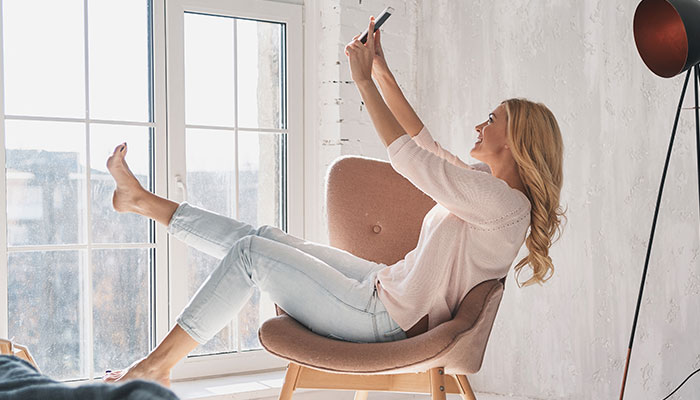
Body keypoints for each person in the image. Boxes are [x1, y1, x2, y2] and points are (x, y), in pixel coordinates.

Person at [104, 16, 565, 386]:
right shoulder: (490, 187)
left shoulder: (503, 205)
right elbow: (423, 143)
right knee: (264, 238)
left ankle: (156, 367)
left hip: (384, 318)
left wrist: (361, 82)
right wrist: (381, 70)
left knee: (250, 255)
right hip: (382, 286)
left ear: (517, 139)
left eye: (492, 119)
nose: (480, 126)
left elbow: (411, 160)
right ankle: (142, 201)